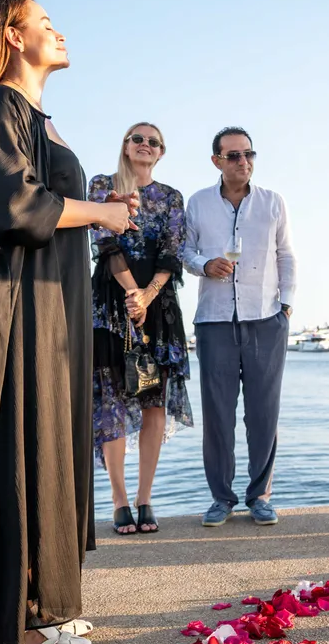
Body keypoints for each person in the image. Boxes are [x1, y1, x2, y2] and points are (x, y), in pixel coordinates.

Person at [0, 0, 137, 644]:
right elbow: (14, 206)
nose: (59, 33)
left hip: (55, 305)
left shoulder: (37, 115)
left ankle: (48, 603)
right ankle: (20, 623)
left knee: (52, 443)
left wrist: (97, 209)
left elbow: (50, 200)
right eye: (46, 23)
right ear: (11, 34)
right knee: (26, 444)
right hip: (21, 304)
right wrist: (101, 215)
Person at [182, 127, 296, 527]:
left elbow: (286, 256)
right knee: (218, 416)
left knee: (263, 413)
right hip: (214, 321)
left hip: (266, 319)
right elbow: (185, 249)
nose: (242, 161)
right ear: (216, 160)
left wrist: (286, 307)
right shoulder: (197, 203)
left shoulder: (272, 202)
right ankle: (221, 498)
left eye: (248, 154)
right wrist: (203, 264)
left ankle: (260, 496)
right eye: (233, 155)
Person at [89, 123, 194, 535]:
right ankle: (118, 499)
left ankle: (144, 497)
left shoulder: (170, 197)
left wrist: (147, 296)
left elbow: (172, 253)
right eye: (138, 139)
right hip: (111, 303)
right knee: (111, 399)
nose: (145, 145)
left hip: (159, 305)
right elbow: (106, 242)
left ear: (161, 152)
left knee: (154, 400)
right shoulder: (103, 185)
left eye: (154, 141)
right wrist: (133, 294)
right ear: (126, 146)